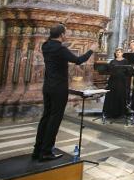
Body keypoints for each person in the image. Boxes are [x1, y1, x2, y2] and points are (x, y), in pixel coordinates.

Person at [33, 24, 96, 161]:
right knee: (55, 119)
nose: (66, 35)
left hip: (48, 86)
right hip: (59, 88)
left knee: (46, 117)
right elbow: (79, 60)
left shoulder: (46, 45)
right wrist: (91, 50)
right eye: (65, 33)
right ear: (62, 35)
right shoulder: (61, 49)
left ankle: (38, 149)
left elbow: (58, 51)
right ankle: (46, 151)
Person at [102, 48, 129, 119]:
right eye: (117, 52)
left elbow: (127, 71)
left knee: (119, 95)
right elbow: (108, 70)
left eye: (119, 52)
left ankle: (120, 113)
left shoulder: (125, 61)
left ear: (122, 53)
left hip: (121, 81)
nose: (118, 53)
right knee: (111, 95)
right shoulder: (112, 61)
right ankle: (110, 113)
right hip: (112, 81)